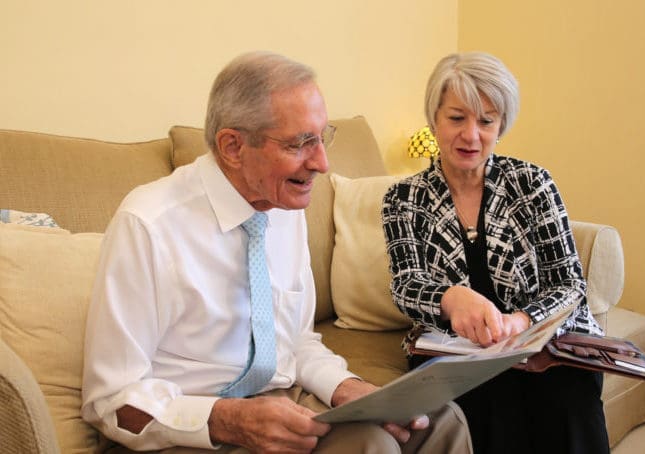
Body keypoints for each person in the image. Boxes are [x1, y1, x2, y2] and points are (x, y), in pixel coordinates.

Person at [81, 51, 471, 454]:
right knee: (370, 444)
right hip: (187, 426)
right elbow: (112, 401)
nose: (321, 162)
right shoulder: (148, 224)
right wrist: (227, 420)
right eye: (300, 143)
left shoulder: (281, 205)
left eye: (322, 136)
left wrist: (346, 387)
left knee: (438, 419)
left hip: (282, 399)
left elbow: (295, 341)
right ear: (233, 146)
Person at [381, 51, 610, 454]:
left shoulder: (533, 183)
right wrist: (451, 299)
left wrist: (523, 322)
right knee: (478, 403)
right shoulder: (403, 198)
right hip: (456, 353)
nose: (471, 135)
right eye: (457, 118)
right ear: (434, 118)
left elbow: (570, 284)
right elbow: (406, 285)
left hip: (542, 347)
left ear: (501, 124)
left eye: (486, 121)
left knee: (569, 398)